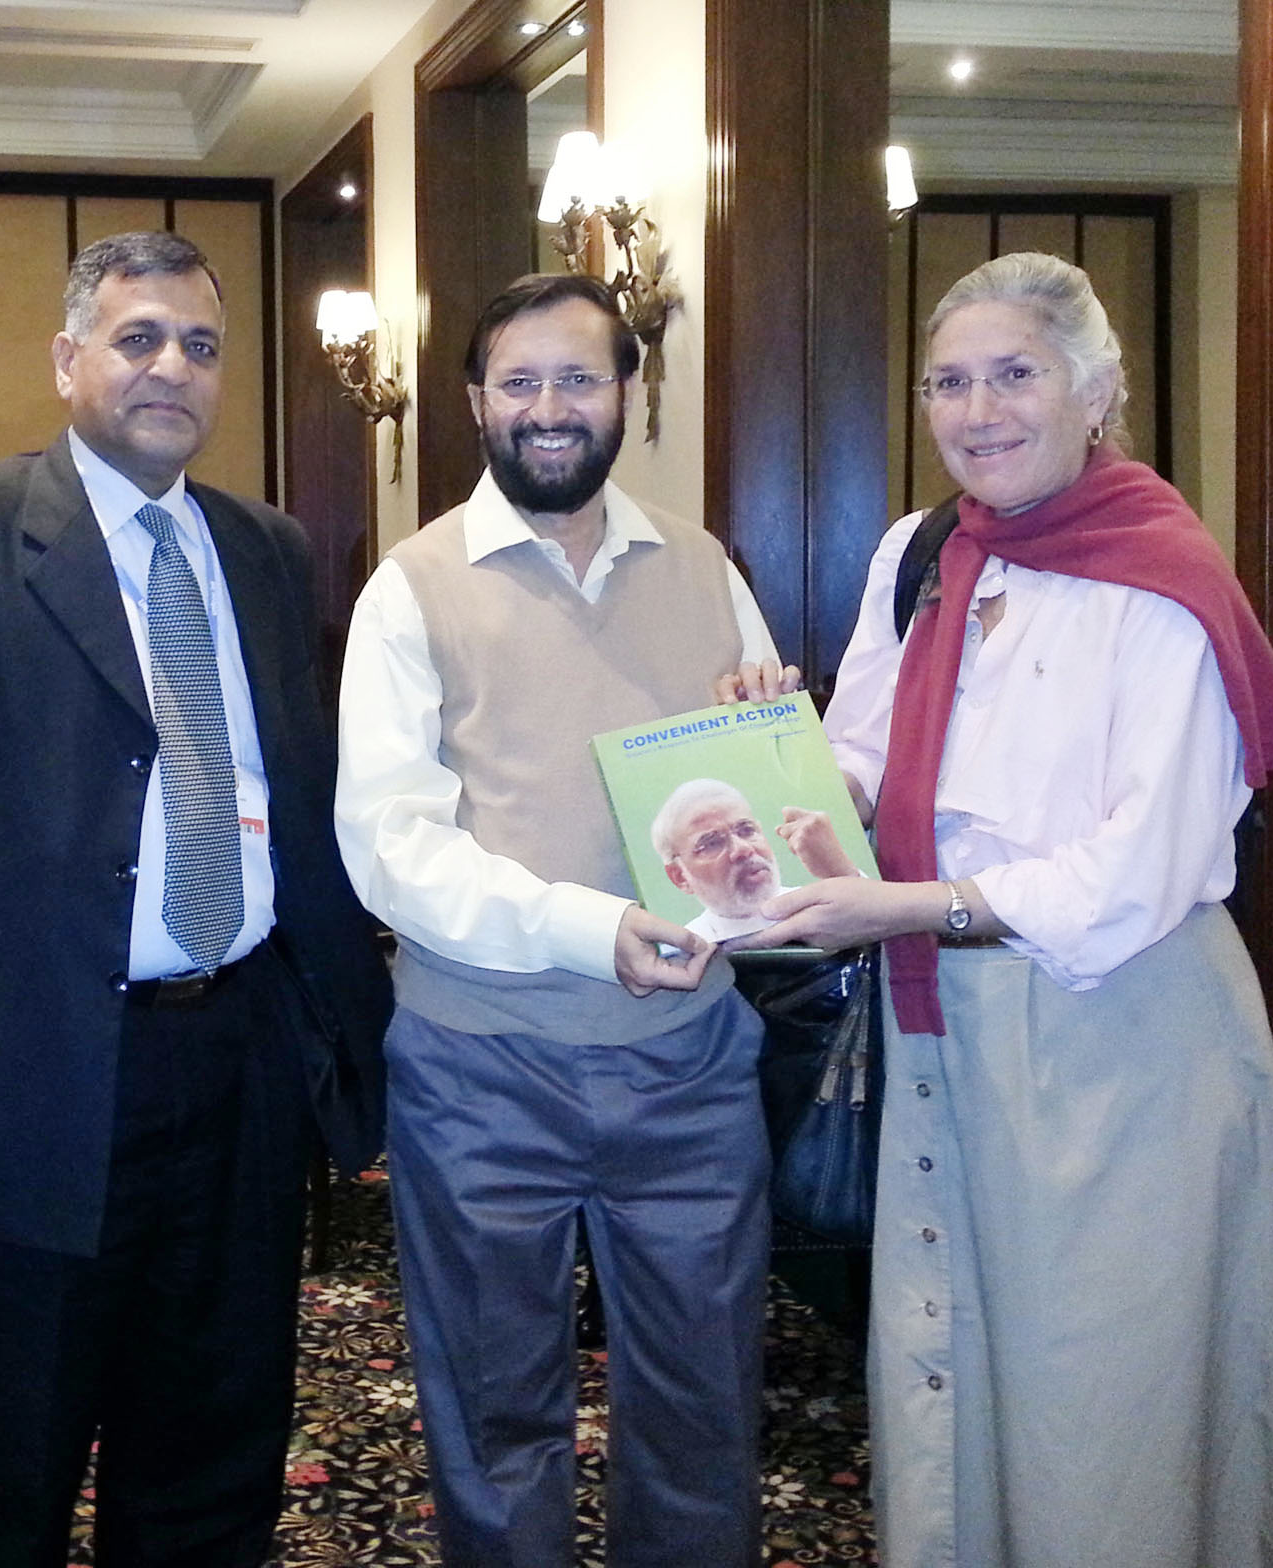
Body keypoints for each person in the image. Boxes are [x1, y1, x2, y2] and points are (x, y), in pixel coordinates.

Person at [738, 251, 1273, 1568]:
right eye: (949, 382)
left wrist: (903, 903)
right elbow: (861, 763)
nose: (978, 409)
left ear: (1095, 389)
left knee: (1099, 1401)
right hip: (945, 1022)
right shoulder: (919, 556)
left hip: (1119, 1043)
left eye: (1014, 373)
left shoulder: (1163, 580)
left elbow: (1136, 874)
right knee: (949, 1358)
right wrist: (763, 753)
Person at [0, 230, 391, 1567]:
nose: (170, 368)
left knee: (215, 1437)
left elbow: (292, 797)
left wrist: (337, 1035)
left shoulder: (263, 546)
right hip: (32, 1069)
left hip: (239, 1057)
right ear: (67, 358)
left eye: (199, 345)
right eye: (138, 338)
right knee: (11, 1451)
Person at [333, 271, 788, 1568]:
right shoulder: (409, 590)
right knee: (494, 1422)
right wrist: (589, 929)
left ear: (628, 397)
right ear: (475, 402)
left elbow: (772, 802)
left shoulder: (703, 566)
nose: (549, 408)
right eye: (519, 382)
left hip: (690, 1068)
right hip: (482, 1070)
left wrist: (778, 747)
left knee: (703, 1413)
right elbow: (390, 850)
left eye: (579, 378)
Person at [650, 779, 856, 942]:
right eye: (712, 843)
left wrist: (845, 875)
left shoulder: (827, 906)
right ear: (680, 877)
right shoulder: (685, 952)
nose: (743, 849)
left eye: (747, 831)